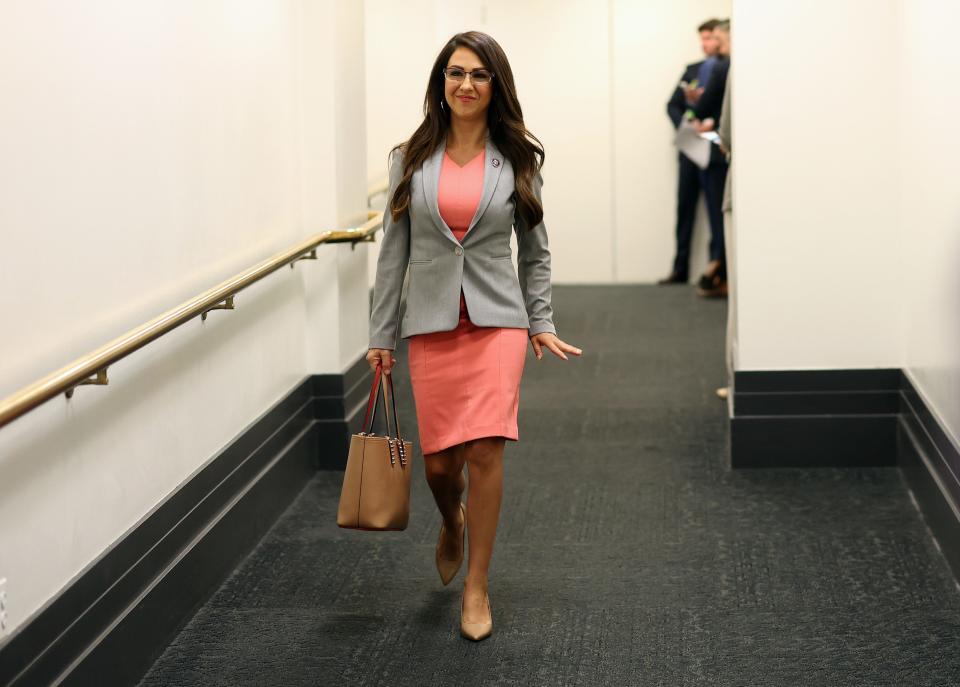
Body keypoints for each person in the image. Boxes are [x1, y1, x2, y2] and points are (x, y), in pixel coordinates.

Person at [366, 31, 582, 642]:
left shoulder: (515, 159)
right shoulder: (409, 158)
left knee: (487, 448)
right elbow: (394, 253)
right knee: (439, 466)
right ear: (441, 83)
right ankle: (452, 520)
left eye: (479, 75)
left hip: (497, 322)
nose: (466, 84)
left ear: (496, 86)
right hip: (432, 323)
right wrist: (381, 331)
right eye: (455, 73)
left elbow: (535, 254)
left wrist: (539, 320)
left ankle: (478, 585)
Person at [660, 18, 722, 285]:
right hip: (689, 150)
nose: (705, 43)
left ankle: (715, 270)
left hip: (716, 151)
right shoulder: (692, 70)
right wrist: (687, 126)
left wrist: (711, 125)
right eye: (703, 38)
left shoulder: (729, 69)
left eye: (710, 37)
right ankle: (680, 267)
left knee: (716, 210)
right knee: (685, 208)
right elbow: (672, 104)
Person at [689, 19, 731, 297]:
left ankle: (719, 271)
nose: (713, 43)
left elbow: (705, 105)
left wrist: (699, 110)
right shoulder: (720, 65)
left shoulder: (722, 66)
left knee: (720, 214)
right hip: (717, 146)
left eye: (716, 37)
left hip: (719, 150)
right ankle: (719, 271)